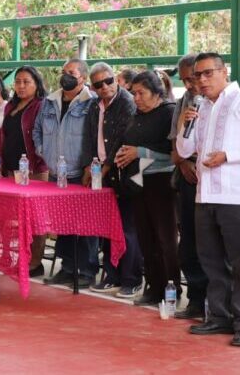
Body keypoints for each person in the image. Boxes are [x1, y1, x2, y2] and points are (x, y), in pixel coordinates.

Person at [176, 53, 240, 348]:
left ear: (224, 72)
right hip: (204, 194)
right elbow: (184, 150)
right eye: (197, 76)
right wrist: (185, 125)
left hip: (235, 195)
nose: (201, 81)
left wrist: (228, 156)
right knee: (210, 260)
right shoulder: (200, 108)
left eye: (208, 74)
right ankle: (218, 316)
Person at [115, 70, 177, 306]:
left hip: (161, 181)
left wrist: (139, 153)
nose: (136, 98)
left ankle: (171, 288)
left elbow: (173, 155)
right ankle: (153, 285)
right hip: (138, 181)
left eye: (141, 93)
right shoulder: (137, 116)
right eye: (134, 93)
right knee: (145, 237)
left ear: (157, 93)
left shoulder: (168, 113)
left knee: (165, 238)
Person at [82, 63, 141, 298]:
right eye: (98, 84)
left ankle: (131, 278)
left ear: (115, 79)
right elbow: (89, 137)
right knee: (107, 227)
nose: (104, 87)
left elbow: (121, 138)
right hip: (100, 172)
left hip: (124, 173)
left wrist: (104, 168)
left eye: (108, 81)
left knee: (128, 229)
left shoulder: (127, 102)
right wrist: (89, 164)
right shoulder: (94, 106)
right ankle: (112, 274)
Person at [36, 58, 96, 286]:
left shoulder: (90, 103)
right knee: (63, 223)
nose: (66, 76)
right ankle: (68, 268)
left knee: (85, 224)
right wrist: (44, 152)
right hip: (56, 172)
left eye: (71, 72)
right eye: (63, 72)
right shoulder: (50, 101)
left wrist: (89, 165)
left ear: (83, 77)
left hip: (80, 173)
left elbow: (94, 136)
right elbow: (38, 130)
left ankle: (87, 271)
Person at [0, 66, 48, 276]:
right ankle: (12, 256)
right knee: (12, 216)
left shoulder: (41, 106)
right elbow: (2, 135)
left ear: (37, 84)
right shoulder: (11, 106)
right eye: (18, 82)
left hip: (34, 168)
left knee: (34, 218)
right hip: (11, 168)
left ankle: (35, 262)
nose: (21, 86)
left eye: (26, 82)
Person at [168, 54, 209, 319]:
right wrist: (183, 164)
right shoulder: (183, 101)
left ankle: (215, 304)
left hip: (212, 177)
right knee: (188, 244)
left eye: (192, 78)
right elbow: (174, 143)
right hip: (186, 177)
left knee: (210, 244)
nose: (190, 84)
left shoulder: (215, 101)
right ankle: (195, 299)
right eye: (184, 80)